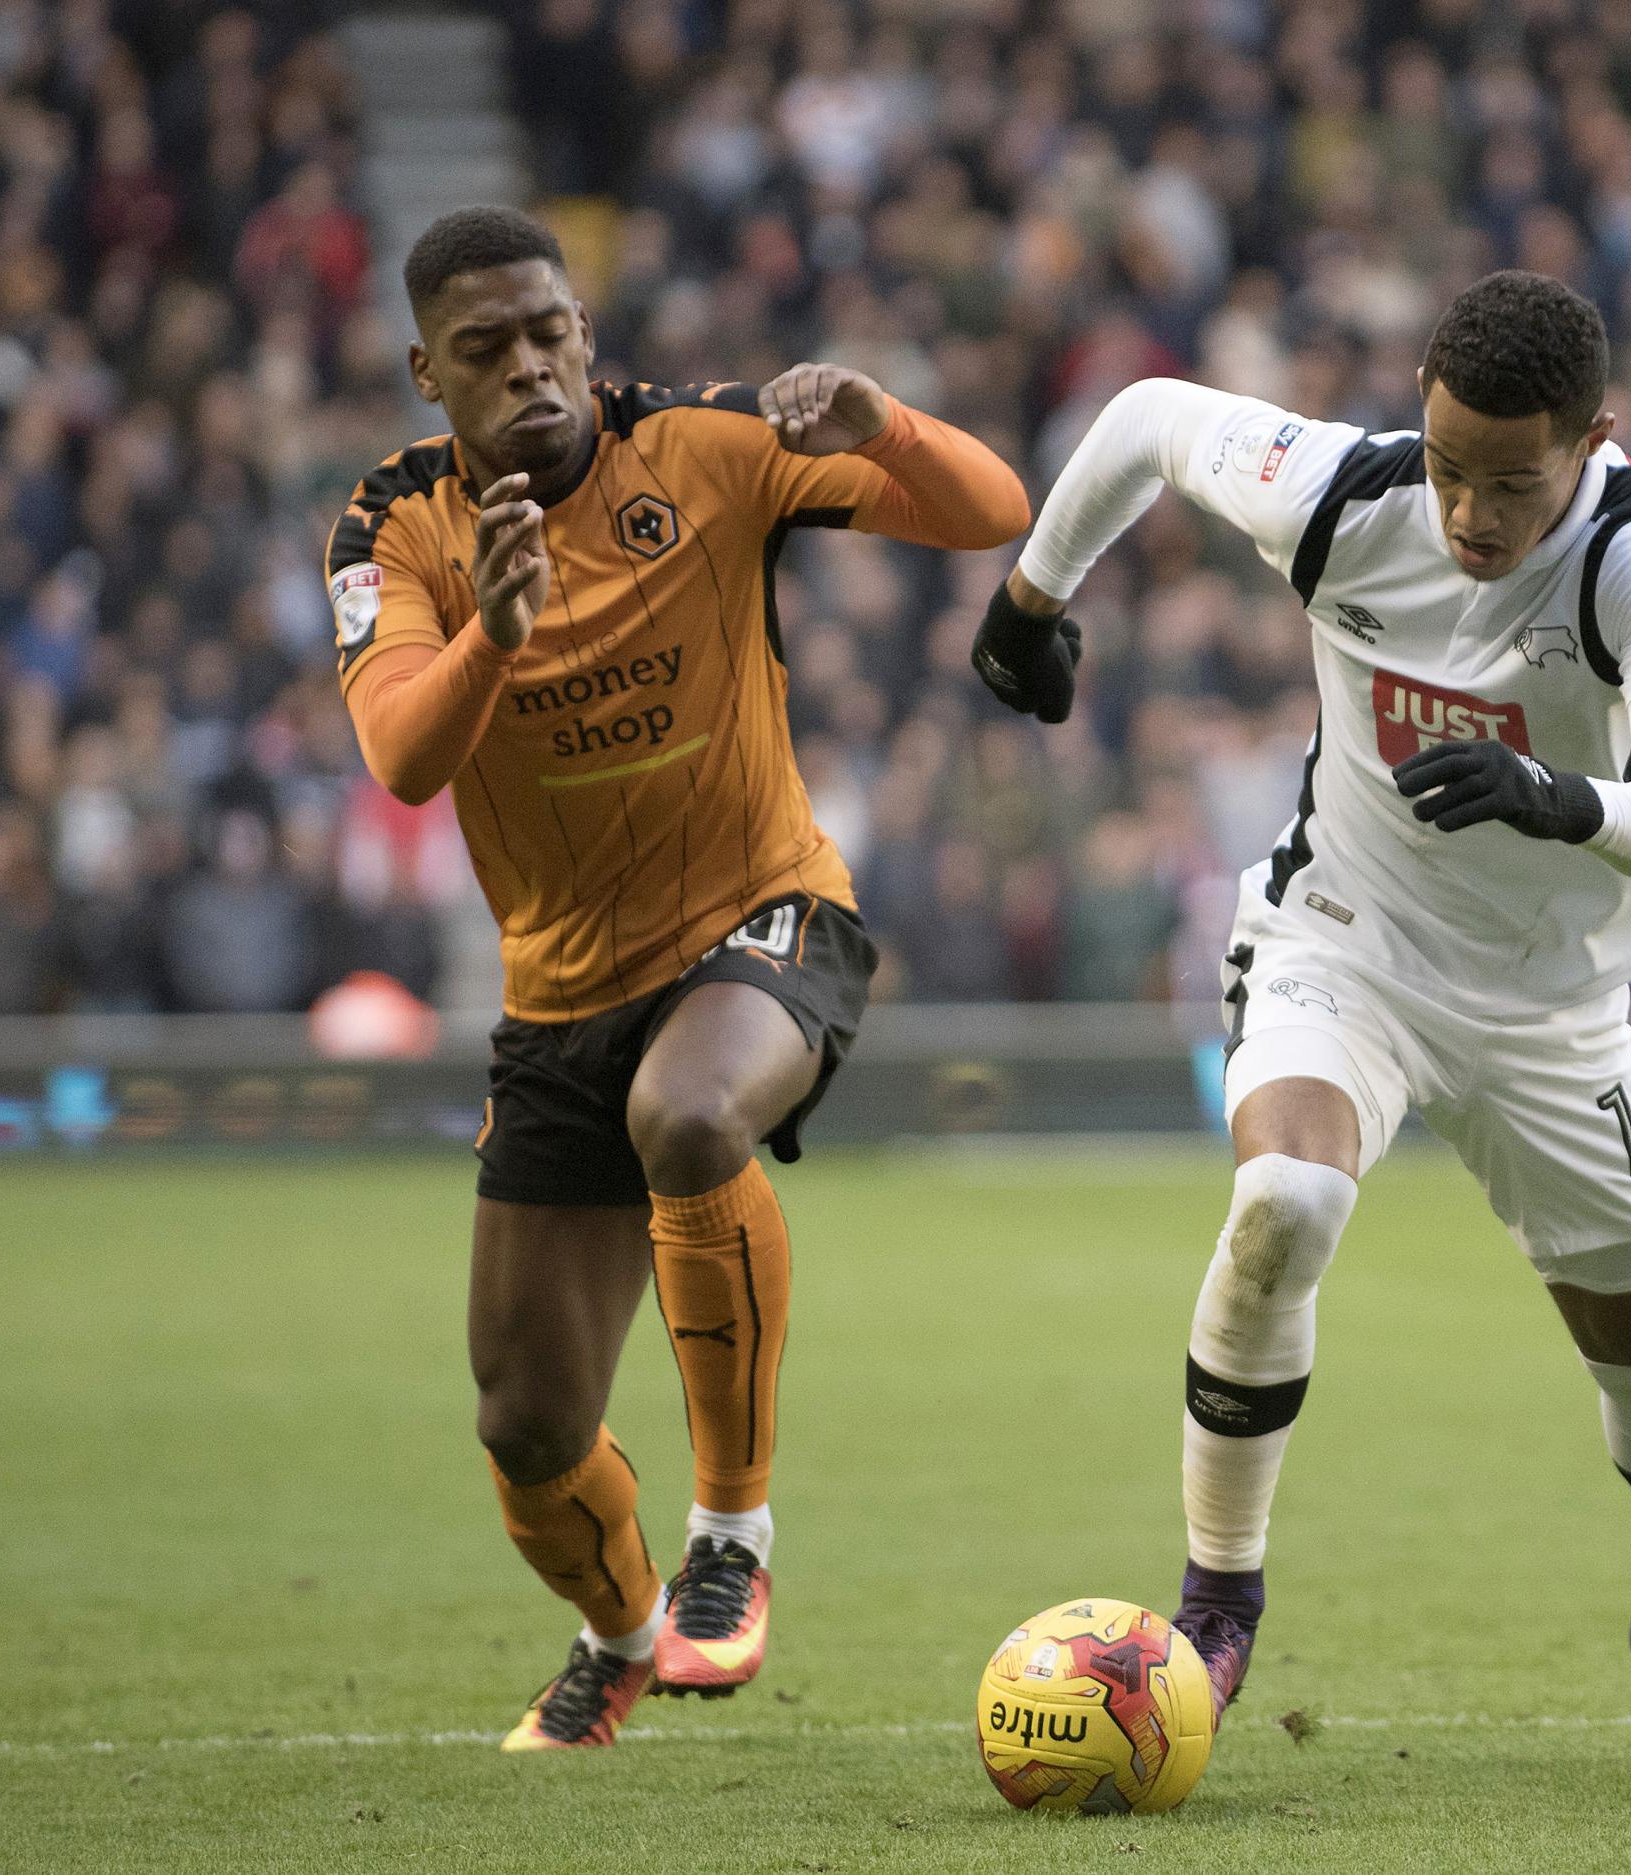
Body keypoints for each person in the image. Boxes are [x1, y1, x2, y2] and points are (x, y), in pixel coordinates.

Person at [974, 271, 1631, 1759]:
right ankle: (1218, 1601)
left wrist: (1558, 798)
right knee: (1286, 1204)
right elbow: (1143, 422)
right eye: (1450, 465)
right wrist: (1030, 597)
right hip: (1348, 944)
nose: (1468, 512)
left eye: (1511, 482)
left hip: (1553, 1007)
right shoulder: (1346, 492)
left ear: (1595, 444)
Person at [331, 206, 1027, 1749]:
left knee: (695, 1118)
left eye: (549, 330)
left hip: (763, 919)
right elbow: (399, 757)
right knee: (524, 1425)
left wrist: (885, 423)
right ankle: (624, 1631)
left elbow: (990, 512)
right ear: (424, 374)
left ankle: (732, 1536)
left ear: (584, 325)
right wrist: (493, 638)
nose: (530, 367)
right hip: (559, 999)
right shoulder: (394, 528)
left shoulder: (703, 445)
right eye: (484, 349)